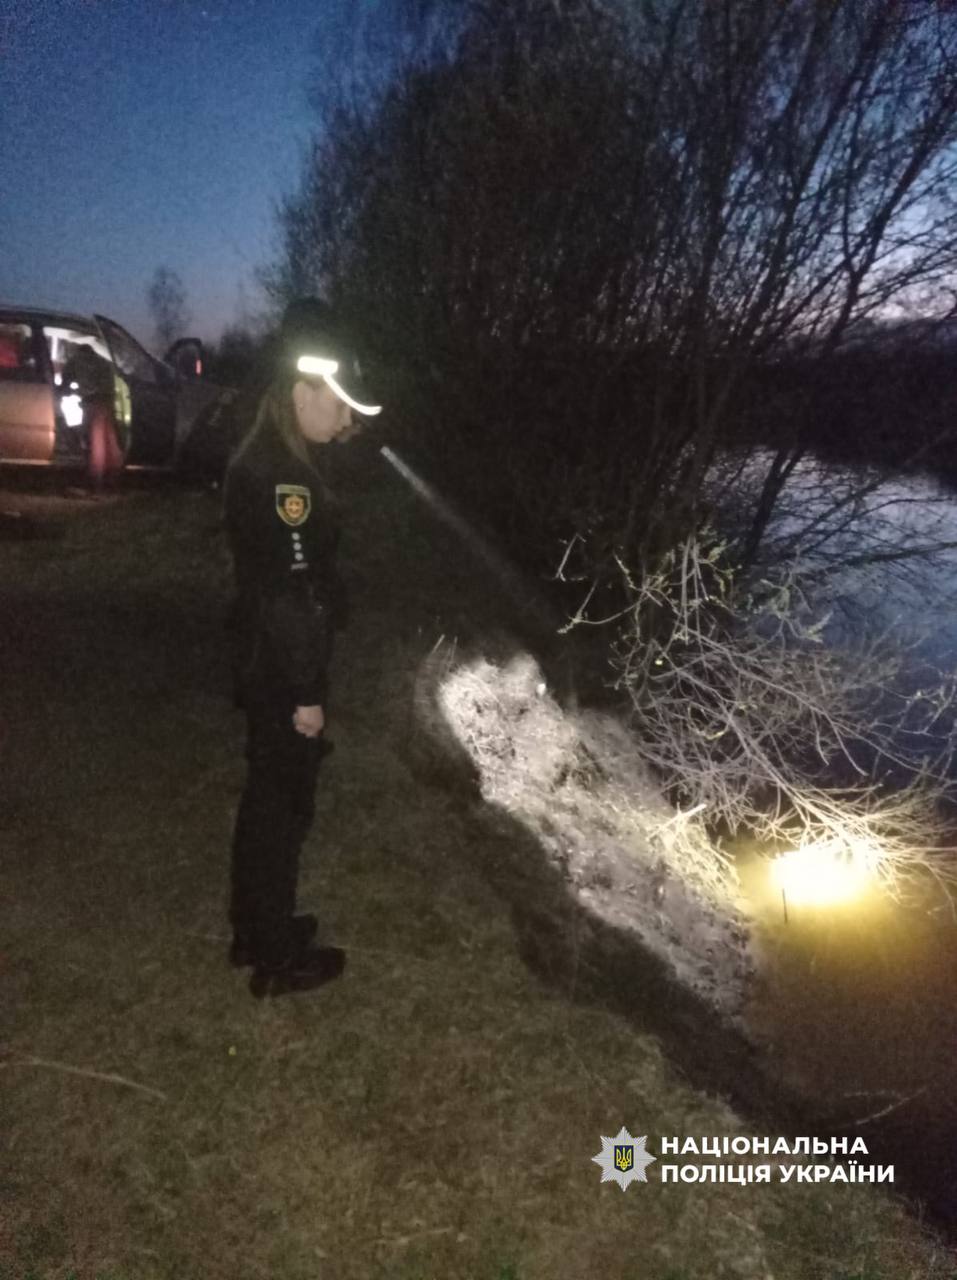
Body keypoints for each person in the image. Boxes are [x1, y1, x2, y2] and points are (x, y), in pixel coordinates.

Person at [223, 297, 382, 998]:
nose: (344, 419)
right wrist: (308, 695)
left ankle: (254, 929)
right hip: (281, 667)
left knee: (267, 798)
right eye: (336, 403)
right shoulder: (284, 479)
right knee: (283, 809)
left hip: (263, 660)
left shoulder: (271, 458)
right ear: (300, 393)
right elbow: (292, 598)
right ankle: (275, 958)